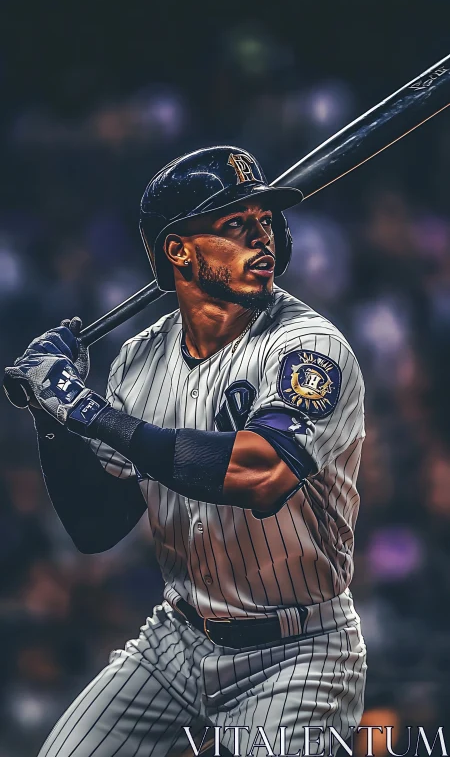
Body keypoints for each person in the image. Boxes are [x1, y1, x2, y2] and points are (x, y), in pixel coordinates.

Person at [5, 146, 367, 757]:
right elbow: (97, 527)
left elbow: (260, 473)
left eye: (265, 221)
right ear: (179, 251)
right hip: (176, 638)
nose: (262, 237)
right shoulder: (140, 359)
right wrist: (52, 416)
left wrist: (88, 410)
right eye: (235, 224)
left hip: (299, 652)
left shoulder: (308, 347)